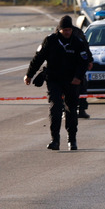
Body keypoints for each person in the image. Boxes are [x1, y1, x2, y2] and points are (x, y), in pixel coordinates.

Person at [24, 15, 91, 151]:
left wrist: (78, 77)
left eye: (69, 30)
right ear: (59, 30)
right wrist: (29, 75)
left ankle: (72, 140)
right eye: (64, 30)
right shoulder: (50, 41)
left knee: (71, 110)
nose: (67, 32)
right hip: (54, 80)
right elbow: (38, 58)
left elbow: (85, 61)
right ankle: (55, 140)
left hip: (72, 81)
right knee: (55, 108)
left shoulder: (77, 42)